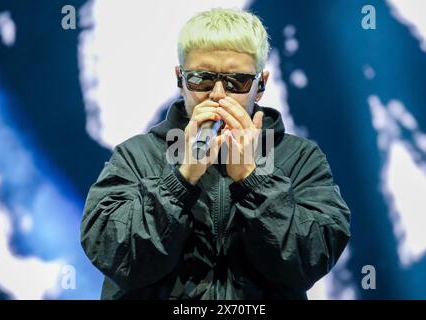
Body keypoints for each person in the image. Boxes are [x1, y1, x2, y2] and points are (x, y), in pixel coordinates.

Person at [80, 7, 351, 300]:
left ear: (261, 85)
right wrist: (182, 178)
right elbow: (120, 260)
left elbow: (306, 263)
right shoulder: (136, 155)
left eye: (237, 82)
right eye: (202, 79)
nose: (218, 94)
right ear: (179, 78)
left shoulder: (301, 158)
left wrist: (252, 179)